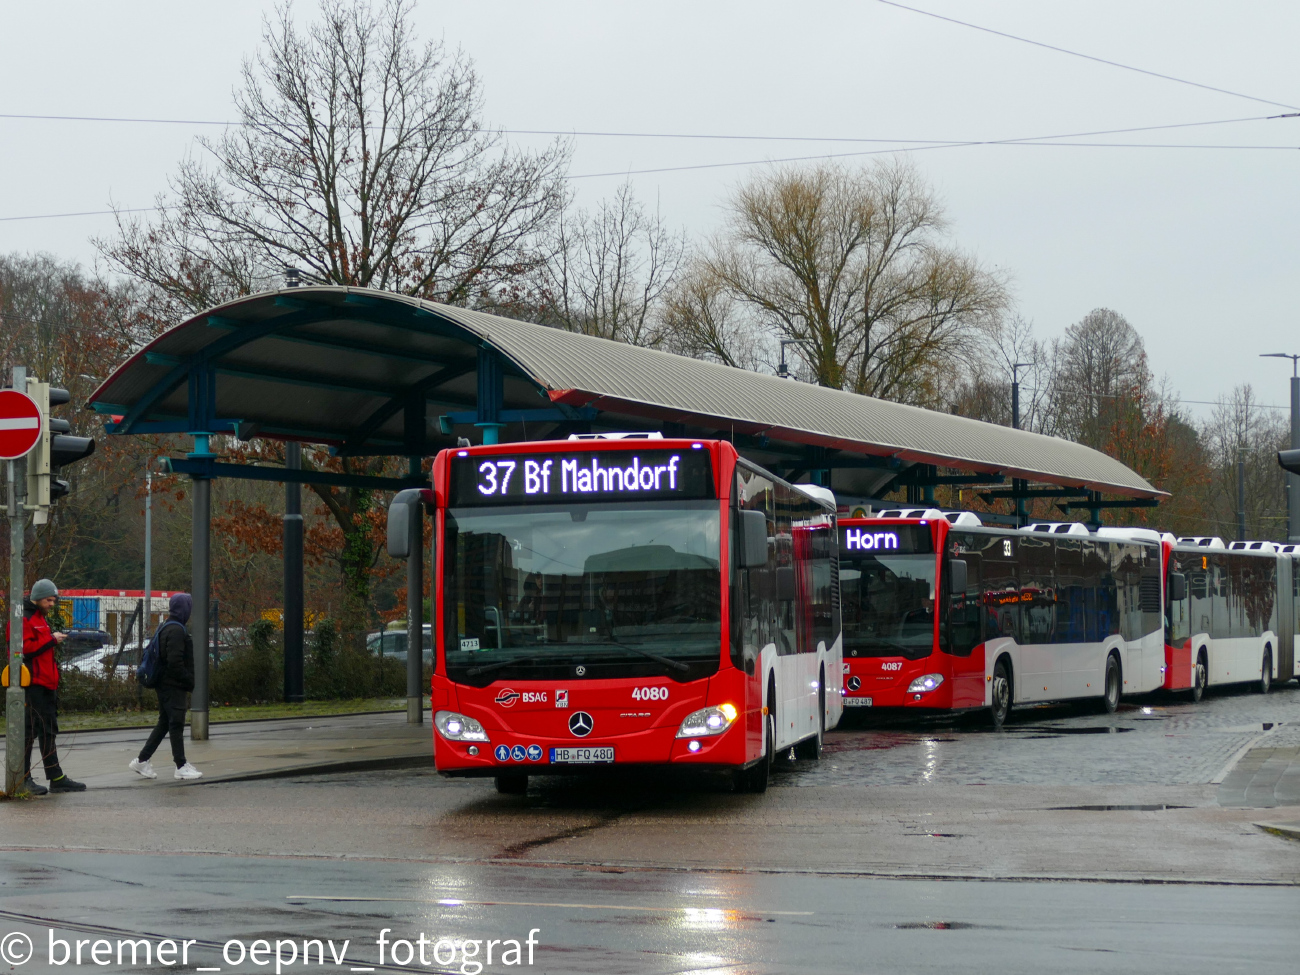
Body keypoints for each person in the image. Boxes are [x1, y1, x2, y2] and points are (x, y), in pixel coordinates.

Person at [17, 579, 85, 794]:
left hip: (46, 684)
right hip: (33, 684)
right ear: (37, 598)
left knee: (48, 731)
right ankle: (23, 778)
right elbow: (24, 650)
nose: (51, 604)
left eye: (53, 600)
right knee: (29, 732)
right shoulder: (24, 619)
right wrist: (52, 640)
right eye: (48, 600)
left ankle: (56, 777)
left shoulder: (39, 619)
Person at [129, 593, 202, 781]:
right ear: (185, 609)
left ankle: (142, 760)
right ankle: (181, 766)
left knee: (164, 724)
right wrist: (188, 680)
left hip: (164, 685)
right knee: (176, 724)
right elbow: (175, 662)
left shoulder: (166, 626)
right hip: (173, 686)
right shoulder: (177, 631)